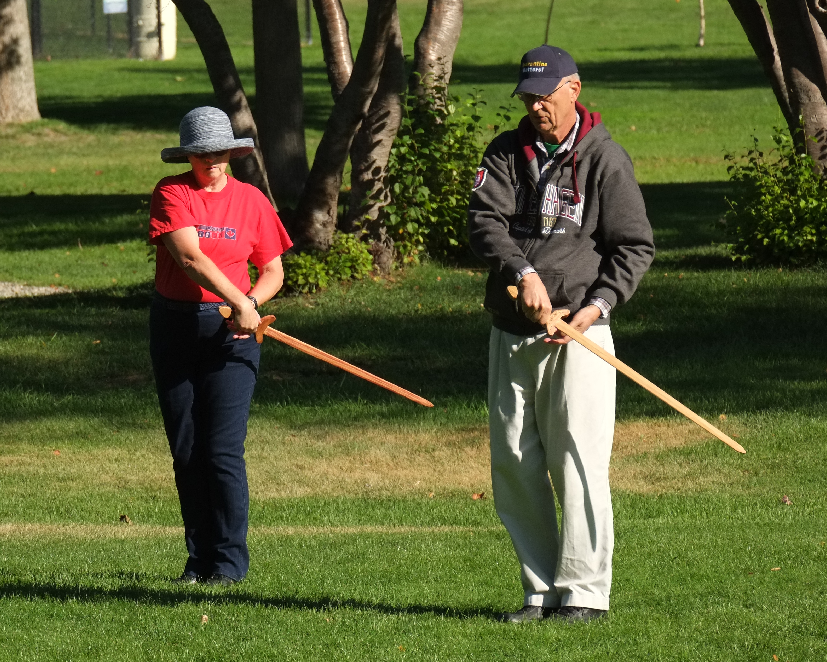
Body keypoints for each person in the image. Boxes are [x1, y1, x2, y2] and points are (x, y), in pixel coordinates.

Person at [468, 45, 655, 623]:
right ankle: (541, 590)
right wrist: (521, 274)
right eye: (527, 97)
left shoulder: (605, 159)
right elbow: (483, 222)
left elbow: (634, 247)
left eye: (545, 95)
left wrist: (595, 308)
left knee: (577, 459)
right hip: (513, 330)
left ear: (574, 88)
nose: (536, 106)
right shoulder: (505, 152)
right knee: (515, 462)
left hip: (582, 335)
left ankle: (584, 593)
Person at [148, 106, 292, 586]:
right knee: (187, 450)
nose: (212, 159)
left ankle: (228, 565)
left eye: (219, 151)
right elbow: (189, 257)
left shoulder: (251, 200)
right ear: (188, 155)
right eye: (202, 152)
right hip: (176, 328)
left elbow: (273, 270)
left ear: (233, 151)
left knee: (222, 451)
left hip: (232, 336)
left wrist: (247, 304)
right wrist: (240, 300)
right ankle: (199, 560)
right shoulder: (171, 192)